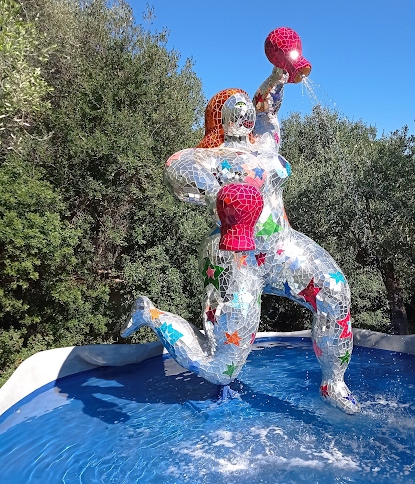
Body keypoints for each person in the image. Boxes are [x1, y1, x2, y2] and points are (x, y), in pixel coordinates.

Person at [122, 39, 360, 415]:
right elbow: (177, 168)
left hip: (282, 247)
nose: (244, 106)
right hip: (235, 258)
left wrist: (280, 74)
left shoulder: (265, 144)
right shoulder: (204, 156)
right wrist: (219, 190)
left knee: (334, 290)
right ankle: (150, 314)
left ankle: (334, 382)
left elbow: (268, 106)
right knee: (222, 370)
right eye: (234, 104)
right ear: (219, 116)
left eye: (245, 102)